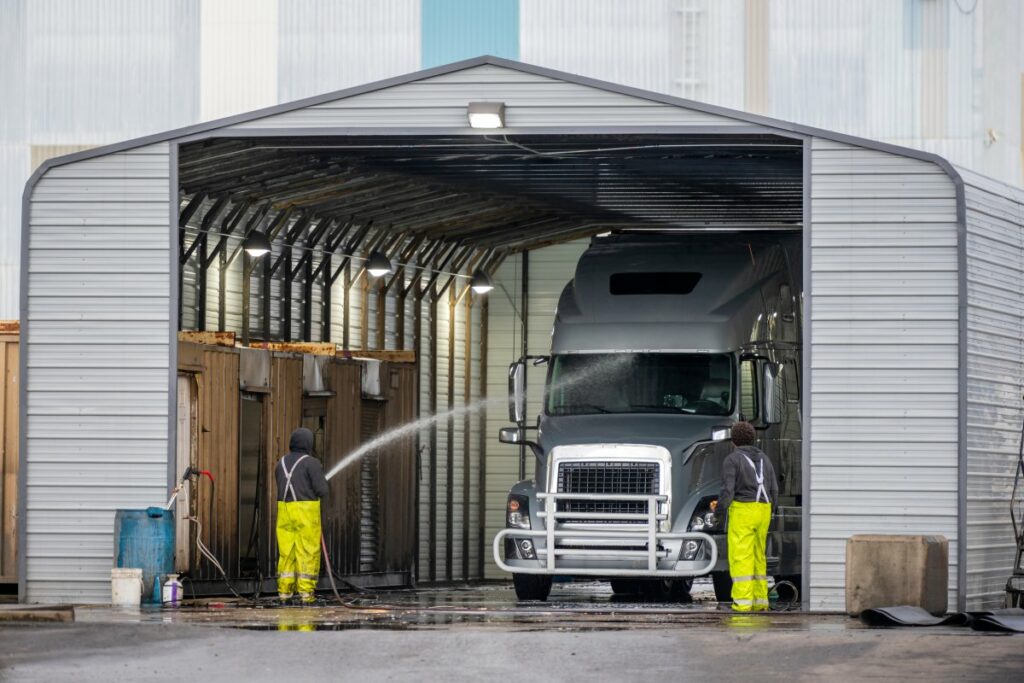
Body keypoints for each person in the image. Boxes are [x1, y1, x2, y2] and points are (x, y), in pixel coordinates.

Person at [712, 421, 779, 612]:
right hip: (764, 510)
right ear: (753, 438)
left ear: (733, 440)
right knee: (759, 556)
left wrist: (718, 514)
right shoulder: (765, 458)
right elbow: (774, 489)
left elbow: (728, 492)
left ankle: (741, 604)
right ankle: (760, 602)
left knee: (741, 557)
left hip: (743, 511)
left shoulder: (732, 460)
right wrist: (769, 510)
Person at [275, 427, 329, 604]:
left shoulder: (280, 463)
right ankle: (306, 594)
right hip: (305, 512)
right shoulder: (311, 463)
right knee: (307, 551)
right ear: (308, 443)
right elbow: (322, 490)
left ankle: (284, 593)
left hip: (284, 512)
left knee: (287, 553)